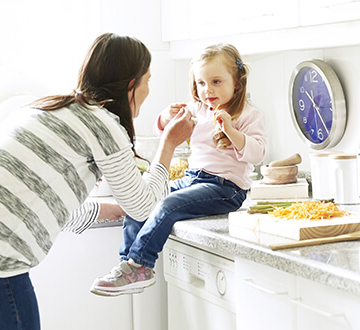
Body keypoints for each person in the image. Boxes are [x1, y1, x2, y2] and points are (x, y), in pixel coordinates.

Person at [0, 32, 195, 330]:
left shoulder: (50, 109)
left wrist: (106, 209)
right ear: (131, 85)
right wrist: (169, 143)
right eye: (147, 80)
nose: (148, 90)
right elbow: (144, 207)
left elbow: (44, 203)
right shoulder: (102, 124)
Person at [90, 43, 266, 296]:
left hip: (225, 188)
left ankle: (140, 264)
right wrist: (164, 117)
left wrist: (231, 131)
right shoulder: (198, 109)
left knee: (167, 205)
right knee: (140, 201)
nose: (208, 90)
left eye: (216, 81)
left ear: (237, 82)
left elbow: (257, 153)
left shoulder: (248, 115)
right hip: (193, 180)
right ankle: (127, 264)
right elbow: (161, 131)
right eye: (201, 83)